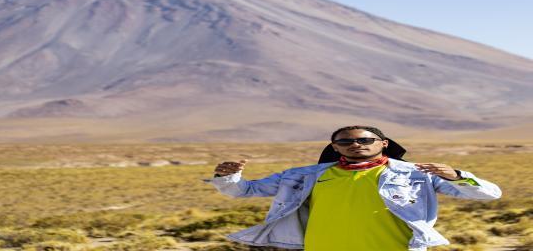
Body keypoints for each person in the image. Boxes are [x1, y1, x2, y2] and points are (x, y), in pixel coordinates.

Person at [206, 125, 501, 250]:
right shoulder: (303, 176)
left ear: (384, 144)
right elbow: (244, 191)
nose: (355, 145)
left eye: (364, 140)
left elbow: (490, 194)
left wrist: (459, 175)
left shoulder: (417, 174)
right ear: (334, 146)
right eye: (346, 141)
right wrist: (227, 177)